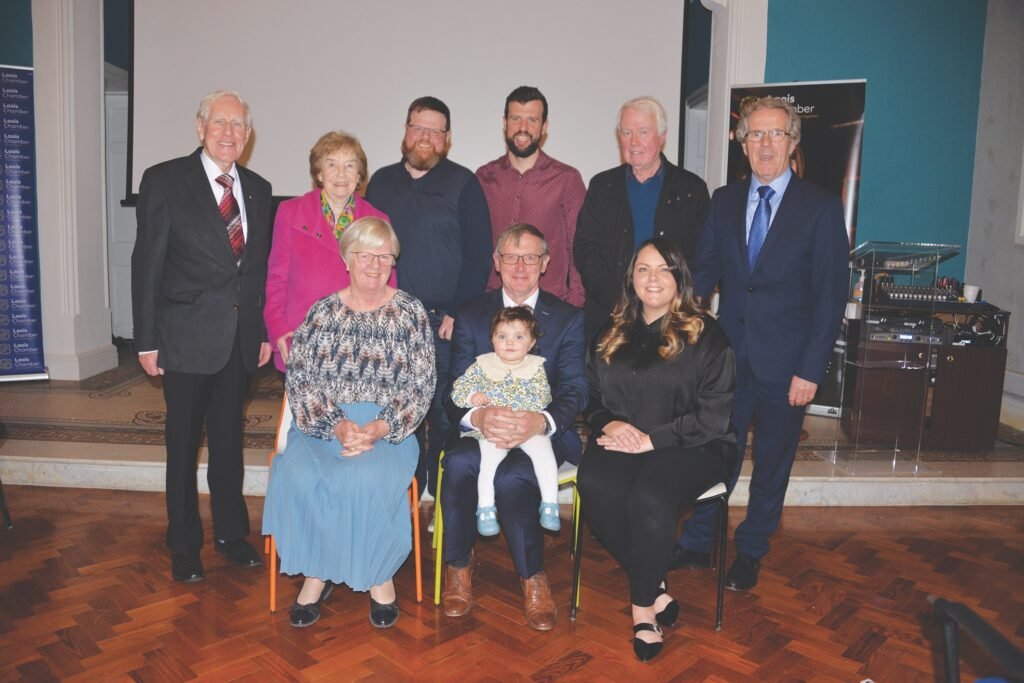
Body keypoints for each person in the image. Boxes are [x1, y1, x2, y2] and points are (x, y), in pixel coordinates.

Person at [676, 96, 849, 593]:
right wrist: (669, 319)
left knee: (772, 463)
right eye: (755, 134)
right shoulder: (724, 200)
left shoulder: (819, 207)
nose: (765, 143)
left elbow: (830, 295)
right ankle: (700, 539)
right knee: (716, 456)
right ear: (743, 143)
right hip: (728, 361)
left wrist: (812, 369)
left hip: (788, 365)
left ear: (793, 143)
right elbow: (703, 274)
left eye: (776, 134)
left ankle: (750, 550)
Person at [262, 217, 435, 629]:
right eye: (365, 255)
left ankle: (379, 576)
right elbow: (301, 380)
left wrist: (377, 427)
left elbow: (422, 386)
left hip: (389, 429)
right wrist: (338, 425)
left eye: (384, 256)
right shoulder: (322, 313)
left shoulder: (410, 312)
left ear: (393, 261)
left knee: (364, 477)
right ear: (346, 259)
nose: (374, 265)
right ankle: (315, 573)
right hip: (322, 426)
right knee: (300, 477)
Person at [131, 90, 273, 583]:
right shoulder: (165, 180)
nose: (229, 132)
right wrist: (146, 340)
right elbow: (146, 263)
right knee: (183, 446)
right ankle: (184, 544)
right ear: (200, 127)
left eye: (238, 125)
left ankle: (232, 535)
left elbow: (255, 272)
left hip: (239, 341)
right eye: (220, 122)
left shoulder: (258, 188)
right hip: (184, 339)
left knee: (230, 443)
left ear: (248, 135)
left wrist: (261, 331)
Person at [578, 238, 736, 661]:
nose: (653, 278)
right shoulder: (611, 332)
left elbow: (715, 416)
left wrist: (651, 440)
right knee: (593, 481)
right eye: (643, 269)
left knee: (649, 496)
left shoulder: (706, 334)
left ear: (680, 278)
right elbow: (589, 397)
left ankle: (643, 610)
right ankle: (655, 580)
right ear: (631, 278)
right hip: (623, 438)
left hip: (694, 445)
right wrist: (608, 423)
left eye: (664, 269)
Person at [440, 223, 586, 631]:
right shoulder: (470, 316)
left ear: (546, 264)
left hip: (541, 432)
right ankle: (458, 564)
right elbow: (453, 389)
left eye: (530, 257)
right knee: (459, 464)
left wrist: (539, 420)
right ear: (496, 263)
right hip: (480, 429)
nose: (520, 266)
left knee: (515, 476)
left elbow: (576, 389)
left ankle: (532, 575)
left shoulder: (569, 319)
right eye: (511, 257)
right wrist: (480, 417)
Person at [366, 96, 492, 498]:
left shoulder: (464, 183)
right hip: (388, 321)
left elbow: (478, 254)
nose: (425, 137)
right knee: (392, 409)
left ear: (447, 139)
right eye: (418, 127)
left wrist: (458, 311)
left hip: (443, 322)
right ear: (405, 131)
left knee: (440, 411)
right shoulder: (381, 182)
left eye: (435, 131)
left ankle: (438, 496)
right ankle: (400, 490)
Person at [574, 96, 710, 340]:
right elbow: (586, 250)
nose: (634, 142)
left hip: (672, 322)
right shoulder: (601, 186)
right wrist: (619, 301)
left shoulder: (692, 189)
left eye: (643, 132)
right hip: (610, 319)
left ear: (662, 136)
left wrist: (673, 304)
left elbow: (701, 256)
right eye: (626, 133)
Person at [264, 131, 391, 371]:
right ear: (319, 173)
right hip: (302, 338)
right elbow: (276, 279)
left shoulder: (377, 219)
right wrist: (278, 329)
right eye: (332, 165)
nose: (341, 174)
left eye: (350, 165)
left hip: (359, 341)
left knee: (356, 410)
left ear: (359, 174)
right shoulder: (290, 212)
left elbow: (388, 288)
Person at [450, 306, 560, 535]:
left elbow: (545, 396)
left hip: (526, 428)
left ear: (530, 344)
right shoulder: (483, 365)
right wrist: (473, 397)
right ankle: (486, 508)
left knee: (545, 454)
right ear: (492, 340)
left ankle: (550, 504)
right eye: (502, 336)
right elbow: (458, 390)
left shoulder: (536, 367)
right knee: (488, 463)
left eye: (518, 337)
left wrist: (529, 413)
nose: (510, 342)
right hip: (495, 429)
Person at [476, 86, 586, 307]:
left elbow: (579, 245)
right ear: (504, 122)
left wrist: (575, 303)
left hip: (551, 306)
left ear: (544, 127)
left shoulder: (567, 179)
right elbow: (472, 246)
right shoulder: (483, 178)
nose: (523, 128)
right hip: (493, 305)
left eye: (532, 120)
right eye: (516, 118)